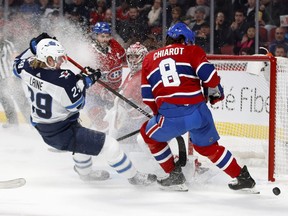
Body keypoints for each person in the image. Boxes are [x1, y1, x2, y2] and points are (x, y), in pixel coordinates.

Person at [13, 33, 157, 185]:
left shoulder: (27, 67)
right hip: (62, 130)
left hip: (43, 125)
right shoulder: (63, 80)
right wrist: (84, 82)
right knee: (111, 146)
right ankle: (134, 178)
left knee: (82, 144)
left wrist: (32, 47)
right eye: (57, 58)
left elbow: (16, 63)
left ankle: (85, 173)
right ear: (47, 59)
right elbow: (77, 105)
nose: (62, 61)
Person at [139, 22, 256, 191]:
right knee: (208, 147)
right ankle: (243, 177)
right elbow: (212, 79)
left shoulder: (150, 58)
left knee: (148, 134)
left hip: (170, 115)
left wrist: (159, 114)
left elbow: (147, 96)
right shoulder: (193, 51)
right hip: (198, 112)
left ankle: (175, 176)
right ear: (186, 40)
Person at [85, 22, 126, 132]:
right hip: (94, 94)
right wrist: (101, 90)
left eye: (107, 36)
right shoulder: (90, 52)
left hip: (115, 91)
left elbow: (125, 60)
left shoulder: (115, 45)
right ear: (96, 36)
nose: (105, 39)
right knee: (98, 116)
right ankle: (103, 137)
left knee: (123, 117)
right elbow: (87, 77)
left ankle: (122, 135)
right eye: (102, 36)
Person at [0, 28, 30, 128]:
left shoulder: (8, 45)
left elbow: (15, 60)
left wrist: (11, 77)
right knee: (5, 100)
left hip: (11, 77)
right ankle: (12, 123)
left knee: (21, 100)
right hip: (2, 79)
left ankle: (33, 123)